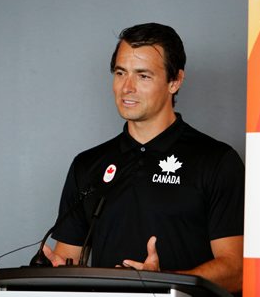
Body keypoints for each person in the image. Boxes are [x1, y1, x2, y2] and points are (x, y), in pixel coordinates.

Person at [43, 22, 245, 293]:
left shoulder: (217, 161)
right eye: (120, 73)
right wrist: (57, 271)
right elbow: (68, 258)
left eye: (143, 76)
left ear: (175, 81)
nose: (127, 87)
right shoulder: (87, 165)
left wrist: (162, 281)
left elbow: (236, 270)